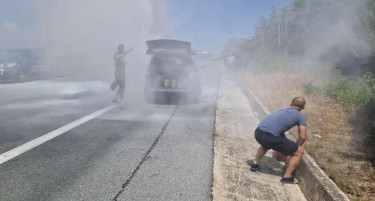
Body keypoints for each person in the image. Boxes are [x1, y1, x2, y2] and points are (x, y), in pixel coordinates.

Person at [250, 97, 308, 184]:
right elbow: (303, 137)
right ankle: (287, 177)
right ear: (302, 108)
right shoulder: (300, 117)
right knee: (299, 151)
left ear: (291, 104)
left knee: (265, 145)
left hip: (258, 132)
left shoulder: (281, 110)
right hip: (270, 137)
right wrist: (294, 149)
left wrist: (286, 147)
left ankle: (254, 164)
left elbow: (276, 128)